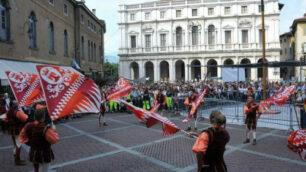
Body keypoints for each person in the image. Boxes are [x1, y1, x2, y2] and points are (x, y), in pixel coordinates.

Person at [6, 100, 28, 165]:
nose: (17, 104)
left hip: (12, 130)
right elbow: (25, 118)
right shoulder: (17, 112)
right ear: (13, 105)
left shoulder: (8, 111)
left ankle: (16, 157)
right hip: (17, 130)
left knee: (15, 144)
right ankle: (17, 160)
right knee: (18, 144)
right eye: (15, 103)